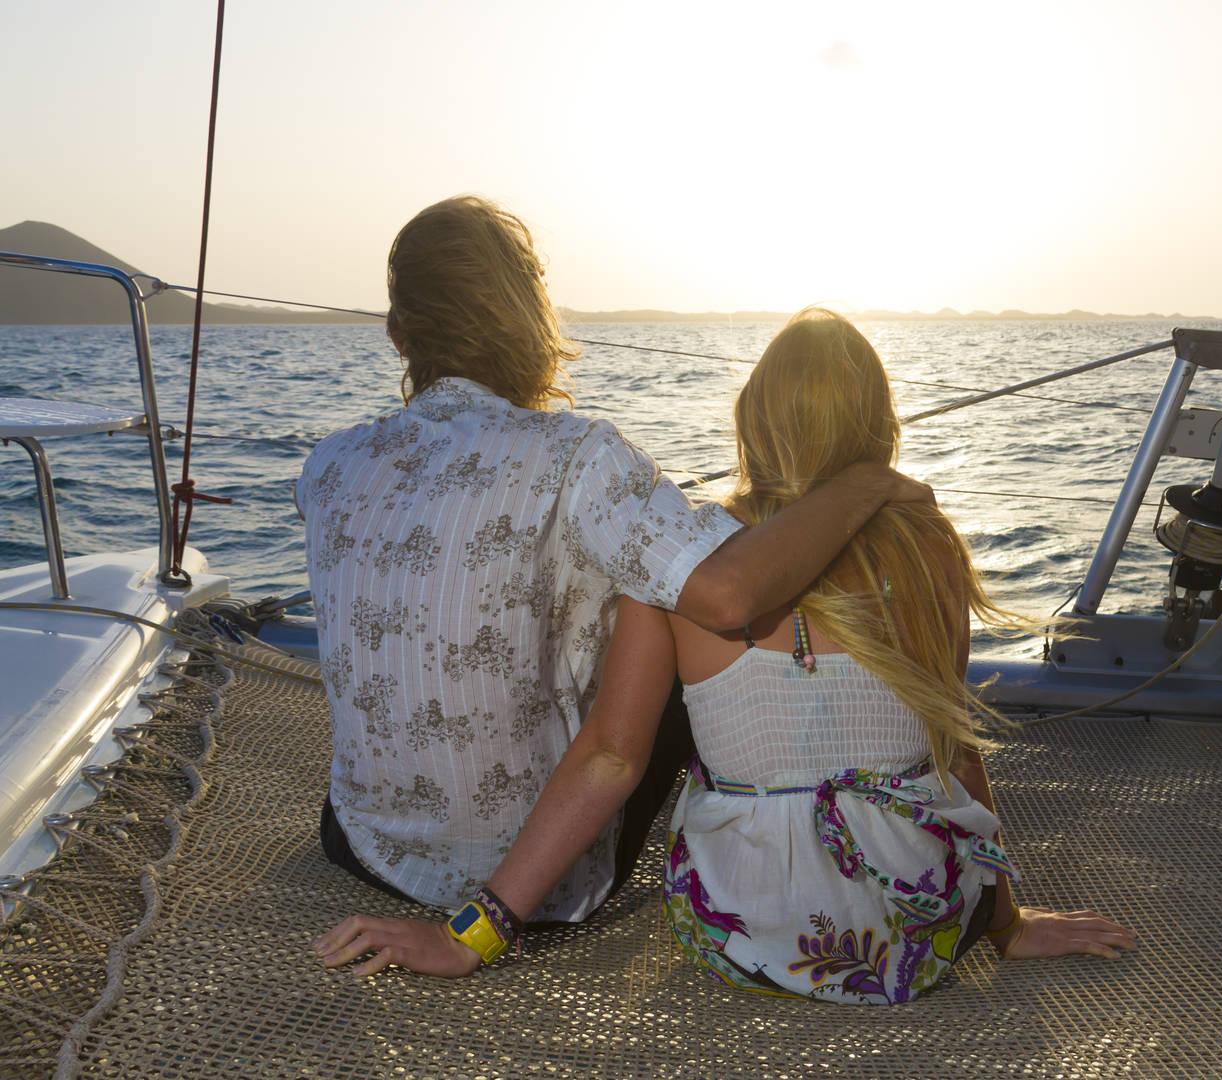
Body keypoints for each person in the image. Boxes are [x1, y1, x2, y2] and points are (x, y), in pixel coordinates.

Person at [317, 309, 1133, 998]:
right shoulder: (928, 549)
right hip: (917, 936)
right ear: (878, 423)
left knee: (636, 707)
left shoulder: (682, 563)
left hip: (740, 935)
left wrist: (472, 937)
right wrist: (1008, 923)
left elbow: (610, 758)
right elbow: (951, 751)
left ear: (752, 419)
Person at [299, 199, 932, 950]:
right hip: (532, 888)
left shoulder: (327, 466)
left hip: (358, 845)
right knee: (673, 617)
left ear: (399, 335)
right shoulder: (579, 457)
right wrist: (866, 482)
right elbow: (728, 594)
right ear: (532, 319)